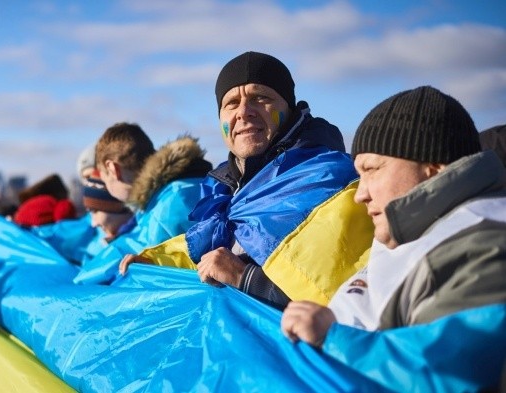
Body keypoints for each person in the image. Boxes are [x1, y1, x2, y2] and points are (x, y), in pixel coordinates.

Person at [281, 86, 506, 391]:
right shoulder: (413, 231)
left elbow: (451, 374)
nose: (360, 194)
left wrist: (331, 337)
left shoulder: (486, 245)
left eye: (372, 170)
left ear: (433, 167)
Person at [120, 51, 373, 310]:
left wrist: (244, 277)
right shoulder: (224, 190)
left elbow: (348, 309)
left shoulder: (335, 183)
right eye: (231, 103)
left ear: (289, 108)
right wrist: (152, 263)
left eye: (260, 97)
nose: (243, 112)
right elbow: (209, 246)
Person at [73, 122, 213, 284]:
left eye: (104, 179)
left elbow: (149, 263)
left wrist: (82, 280)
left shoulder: (165, 208)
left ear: (112, 169)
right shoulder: (182, 187)